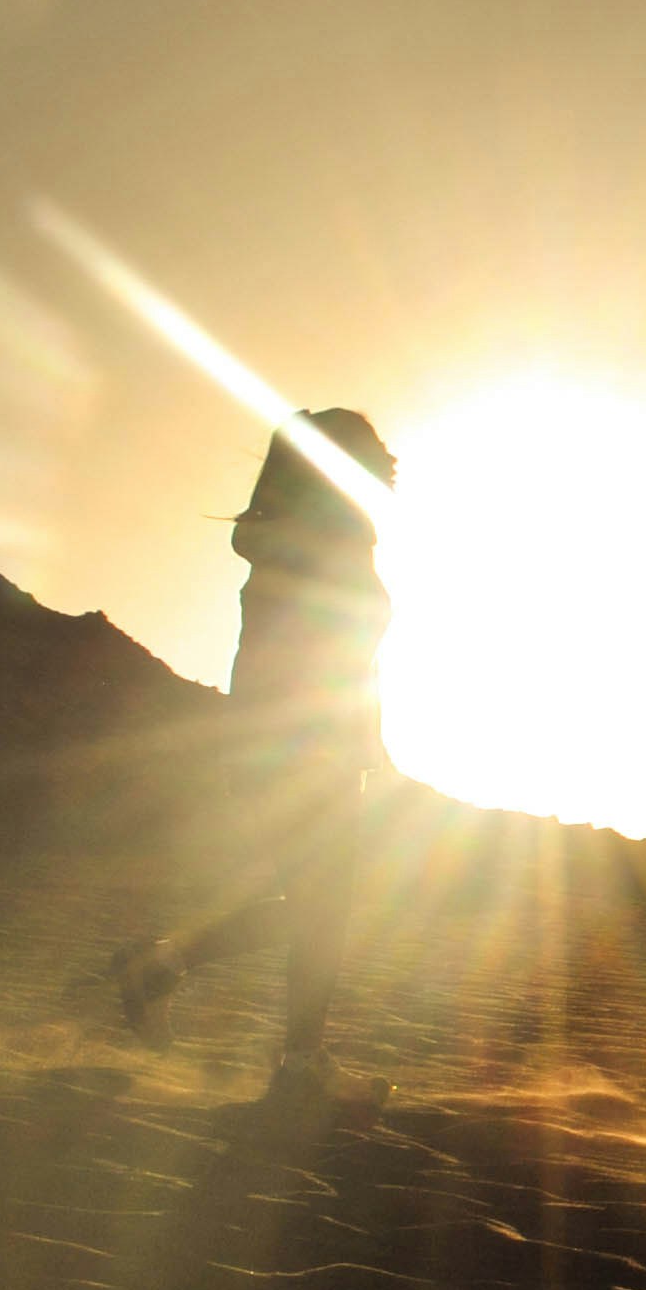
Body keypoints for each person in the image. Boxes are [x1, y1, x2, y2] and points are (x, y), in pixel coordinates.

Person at [112, 409, 396, 1108]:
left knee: (316, 908)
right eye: (372, 446)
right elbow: (316, 647)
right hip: (306, 748)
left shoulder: (293, 536)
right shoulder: (326, 536)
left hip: (288, 744)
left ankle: (162, 966)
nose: (391, 457)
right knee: (323, 911)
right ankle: (298, 1064)